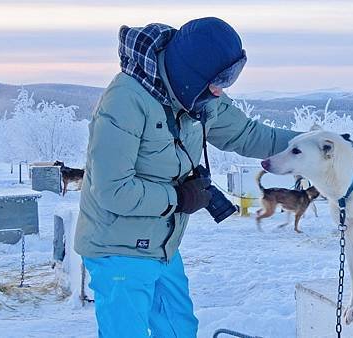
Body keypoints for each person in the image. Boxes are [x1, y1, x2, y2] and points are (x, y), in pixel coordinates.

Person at [74, 18, 299, 338]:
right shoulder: (125, 101)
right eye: (220, 78)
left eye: (230, 78)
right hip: (117, 248)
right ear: (192, 72)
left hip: (162, 244)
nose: (222, 88)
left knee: (179, 329)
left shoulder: (198, 97)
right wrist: (179, 198)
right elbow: (114, 190)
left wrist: (314, 148)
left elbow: (249, 135)